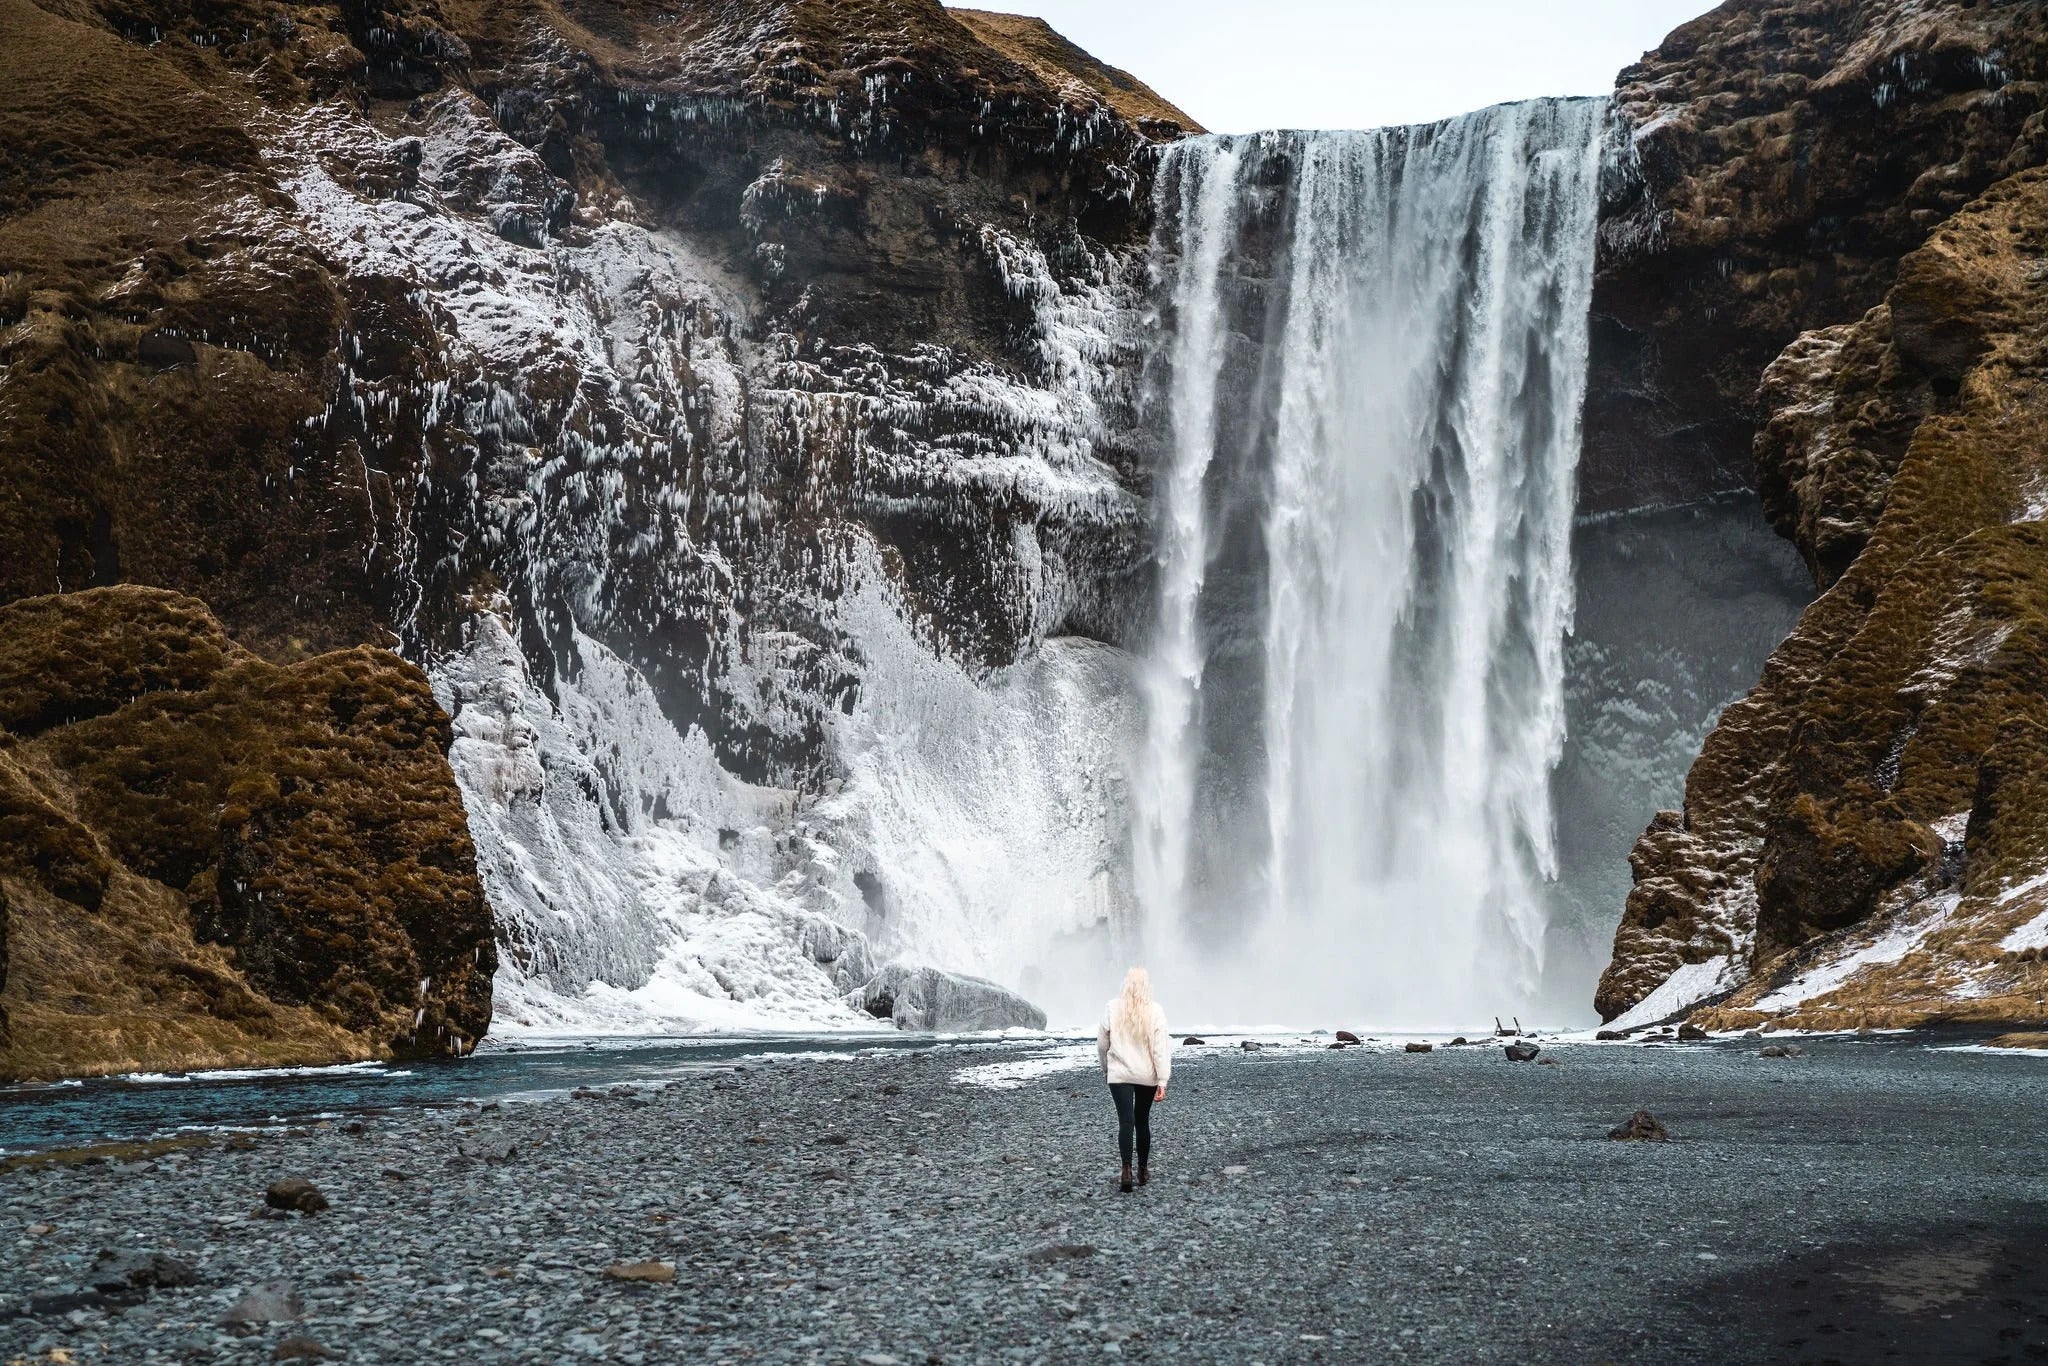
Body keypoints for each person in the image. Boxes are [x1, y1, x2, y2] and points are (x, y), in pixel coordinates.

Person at [1097, 966, 1172, 1193]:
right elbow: (1161, 1049)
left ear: (1125, 985)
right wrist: (1162, 1079)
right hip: (1146, 1074)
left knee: (1125, 1122)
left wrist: (1106, 1069)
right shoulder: (1155, 1011)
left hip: (1119, 1074)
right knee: (1142, 1121)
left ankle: (1126, 1171)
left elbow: (1102, 1044)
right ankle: (1143, 1170)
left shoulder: (1112, 1007)